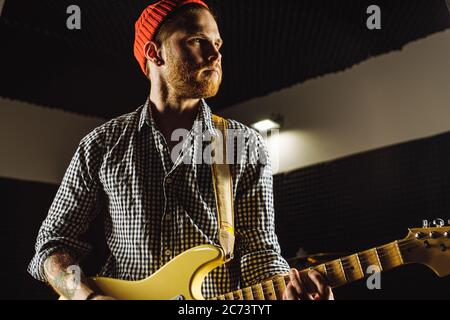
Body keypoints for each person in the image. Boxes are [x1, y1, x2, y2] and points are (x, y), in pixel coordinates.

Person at [28, 0, 333, 300]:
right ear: (153, 52)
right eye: (197, 41)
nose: (215, 55)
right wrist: (88, 298)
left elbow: (260, 254)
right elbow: (51, 245)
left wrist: (288, 294)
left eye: (217, 44)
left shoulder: (244, 144)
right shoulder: (101, 145)